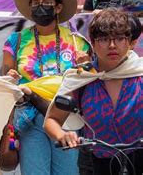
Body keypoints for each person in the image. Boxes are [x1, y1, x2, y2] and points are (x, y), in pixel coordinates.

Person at [2, 0, 91, 175]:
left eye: (47, 3)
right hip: (29, 119)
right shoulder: (15, 41)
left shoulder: (77, 42)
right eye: (35, 3)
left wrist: (84, 66)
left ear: (58, 8)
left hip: (67, 119)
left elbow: (87, 79)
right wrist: (11, 75)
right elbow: (7, 79)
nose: (40, 7)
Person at [44, 9, 142, 175]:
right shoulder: (81, 78)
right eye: (104, 39)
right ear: (93, 43)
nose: (112, 45)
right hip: (95, 164)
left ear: (130, 42)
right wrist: (63, 135)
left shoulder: (139, 74)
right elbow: (51, 120)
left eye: (119, 38)